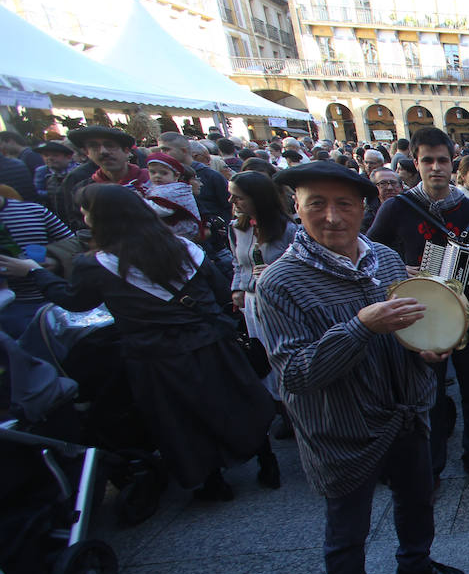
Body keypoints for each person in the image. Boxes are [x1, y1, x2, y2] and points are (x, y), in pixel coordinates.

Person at [255, 161, 468, 574]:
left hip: (406, 412)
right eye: (317, 205)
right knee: (347, 530)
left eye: (344, 204)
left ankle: (414, 562)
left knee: (418, 499)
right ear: (296, 208)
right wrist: (361, 326)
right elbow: (297, 374)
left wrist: (425, 350)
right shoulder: (280, 284)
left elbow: (407, 332)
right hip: (343, 429)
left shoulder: (388, 261)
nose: (332, 217)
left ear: (364, 207)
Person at [1, 184, 276, 496]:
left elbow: (74, 301)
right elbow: (217, 291)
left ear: (103, 218)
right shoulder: (183, 248)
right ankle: (267, 461)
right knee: (237, 401)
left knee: (181, 419)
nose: (83, 216)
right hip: (211, 342)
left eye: (86, 210)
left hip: (156, 355)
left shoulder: (96, 264)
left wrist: (35, 271)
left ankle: (213, 481)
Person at [367, 127, 469, 487]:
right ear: (415, 163)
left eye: (442, 160)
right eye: (427, 160)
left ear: (453, 164)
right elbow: (370, 256)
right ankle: (432, 467)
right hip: (418, 315)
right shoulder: (396, 208)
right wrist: (400, 268)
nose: (435, 168)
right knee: (426, 397)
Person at [227, 170, 297, 427]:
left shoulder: (288, 230)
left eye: (239, 198)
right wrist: (237, 289)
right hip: (251, 301)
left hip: (278, 303)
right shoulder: (236, 228)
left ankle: (293, 408)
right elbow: (238, 264)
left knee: (281, 353)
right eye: (232, 197)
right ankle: (279, 407)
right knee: (263, 355)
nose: (234, 204)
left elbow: (299, 264)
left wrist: (276, 271)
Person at [0, 189, 77, 337]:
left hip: (56, 302)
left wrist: (56, 261)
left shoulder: (33, 211)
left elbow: (76, 247)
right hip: (9, 311)